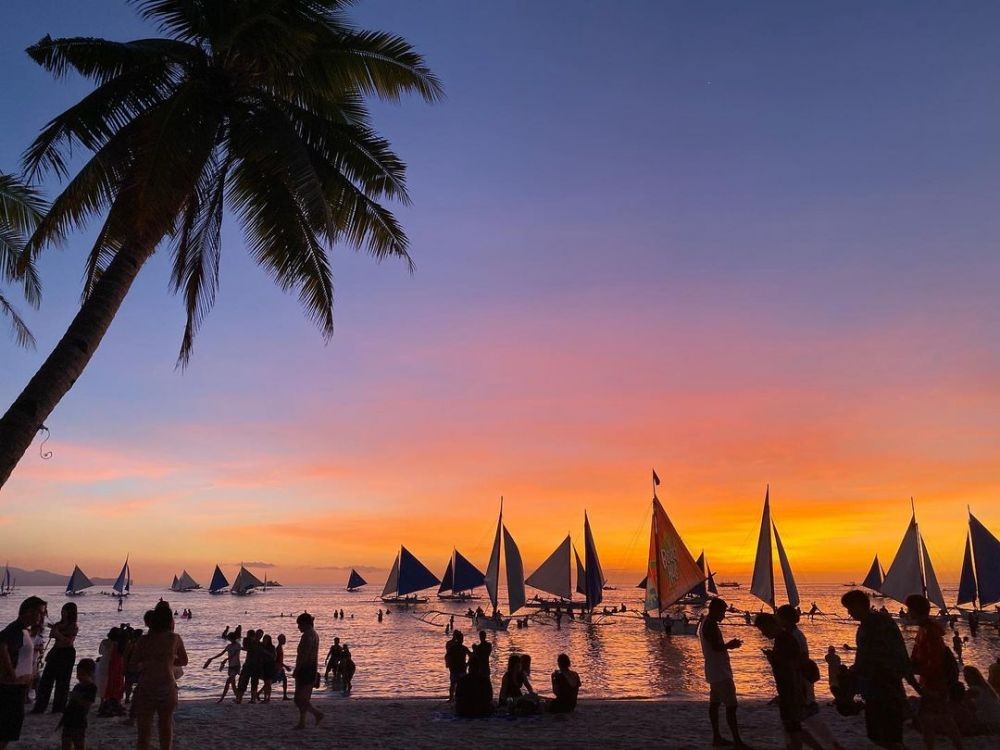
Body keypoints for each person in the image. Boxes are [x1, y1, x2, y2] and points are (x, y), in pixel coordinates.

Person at [842, 589, 912, 750]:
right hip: (875, 687)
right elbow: (864, 657)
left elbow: (889, 653)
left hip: (885, 686)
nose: (849, 613)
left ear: (859, 606)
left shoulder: (878, 623)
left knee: (888, 737)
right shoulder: (869, 624)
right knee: (878, 736)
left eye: (850, 608)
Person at [776, 605, 843, 750]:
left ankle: (833, 746)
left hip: (800, 681)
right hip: (798, 681)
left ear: (785, 619)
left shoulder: (795, 636)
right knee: (795, 723)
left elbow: (801, 659)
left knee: (808, 718)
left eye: (778, 616)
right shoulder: (791, 634)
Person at [905, 594, 963, 750]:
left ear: (915, 611)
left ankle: (946, 746)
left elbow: (934, 661)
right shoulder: (925, 629)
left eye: (910, 609)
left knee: (934, 718)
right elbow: (920, 656)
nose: (907, 612)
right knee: (937, 718)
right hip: (931, 681)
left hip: (935, 683)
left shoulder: (929, 631)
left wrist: (918, 670)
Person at [131, 601, 188, 750]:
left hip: (146, 687)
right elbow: (184, 661)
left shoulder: (143, 640)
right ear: (170, 621)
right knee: (165, 727)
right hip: (167, 686)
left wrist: (148, 662)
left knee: (144, 732)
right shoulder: (174, 639)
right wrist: (169, 660)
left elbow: (132, 664)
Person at [698, 598, 748, 748]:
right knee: (731, 706)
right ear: (715, 610)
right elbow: (716, 647)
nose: (724, 615)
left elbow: (715, 646)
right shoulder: (710, 625)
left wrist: (727, 646)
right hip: (720, 671)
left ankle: (717, 737)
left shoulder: (705, 623)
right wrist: (730, 645)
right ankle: (737, 741)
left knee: (715, 703)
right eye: (723, 611)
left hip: (713, 669)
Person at [754, 613, 806, 750]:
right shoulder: (783, 639)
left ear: (771, 625)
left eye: (763, 631)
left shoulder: (784, 640)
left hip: (791, 690)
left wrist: (772, 659)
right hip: (788, 690)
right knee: (791, 726)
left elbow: (790, 665)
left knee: (793, 726)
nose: (764, 635)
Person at [1, 596, 46, 750]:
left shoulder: (24, 630)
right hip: (10, 689)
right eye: (40, 613)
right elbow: (2, 646)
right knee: (6, 731)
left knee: (9, 731)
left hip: (18, 688)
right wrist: (12, 676)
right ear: (29, 611)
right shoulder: (14, 629)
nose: (42, 617)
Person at [33, 601, 78, 714]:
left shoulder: (73, 626)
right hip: (56, 651)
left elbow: (68, 641)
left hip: (67, 653)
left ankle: (58, 707)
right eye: (62, 610)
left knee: (63, 681)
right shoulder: (58, 624)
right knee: (46, 680)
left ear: (70, 612)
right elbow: (52, 634)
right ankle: (40, 706)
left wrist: (57, 633)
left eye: (65, 610)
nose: (63, 612)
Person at [292, 613, 323, 730]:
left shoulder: (307, 636)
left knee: (298, 699)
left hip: (305, 668)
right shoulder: (314, 634)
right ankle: (302, 722)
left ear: (305, 623)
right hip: (311, 668)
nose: (298, 627)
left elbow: (304, 655)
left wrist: (297, 668)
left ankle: (316, 714)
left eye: (299, 624)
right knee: (303, 698)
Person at [59, 658, 97, 750]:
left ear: (91, 674)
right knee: (65, 741)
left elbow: (88, 704)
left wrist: (77, 697)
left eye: (82, 674)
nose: (79, 677)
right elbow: (70, 704)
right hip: (69, 719)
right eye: (78, 674)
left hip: (79, 720)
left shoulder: (91, 687)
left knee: (79, 743)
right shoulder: (77, 686)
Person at [204, 632, 241, 703]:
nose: (229, 639)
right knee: (233, 684)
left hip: (236, 666)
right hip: (231, 666)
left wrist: (226, 659)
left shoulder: (238, 645)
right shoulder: (229, 646)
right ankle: (238, 698)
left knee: (228, 682)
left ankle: (221, 699)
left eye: (230, 638)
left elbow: (234, 654)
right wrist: (212, 658)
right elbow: (221, 653)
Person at [962, 666, 1000, 735]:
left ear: (974, 677)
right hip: (997, 719)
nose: (965, 679)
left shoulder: (975, 690)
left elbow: (959, 700)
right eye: (965, 676)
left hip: (990, 722)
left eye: (967, 676)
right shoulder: (987, 688)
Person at [445, 631, 470, 701]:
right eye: (461, 639)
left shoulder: (454, 647)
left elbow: (447, 656)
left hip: (457, 668)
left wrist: (449, 664)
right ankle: (453, 698)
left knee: (454, 684)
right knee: (458, 684)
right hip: (460, 668)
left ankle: (452, 698)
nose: (462, 640)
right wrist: (467, 664)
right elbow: (471, 655)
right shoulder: (462, 648)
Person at [258, 634, 276, 702]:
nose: (265, 640)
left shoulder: (272, 647)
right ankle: (265, 697)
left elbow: (274, 657)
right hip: (263, 666)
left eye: (266, 639)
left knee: (268, 683)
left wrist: (266, 652)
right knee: (266, 682)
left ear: (269, 640)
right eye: (264, 639)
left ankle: (268, 698)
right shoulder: (261, 646)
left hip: (270, 665)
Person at [274, 634, 290, 700]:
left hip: (280, 667)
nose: (285, 640)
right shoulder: (278, 649)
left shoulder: (279, 648)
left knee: (284, 680)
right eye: (284, 639)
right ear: (280, 640)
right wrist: (286, 666)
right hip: (278, 668)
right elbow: (278, 660)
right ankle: (284, 696)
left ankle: (285, 696)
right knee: (272, 681)